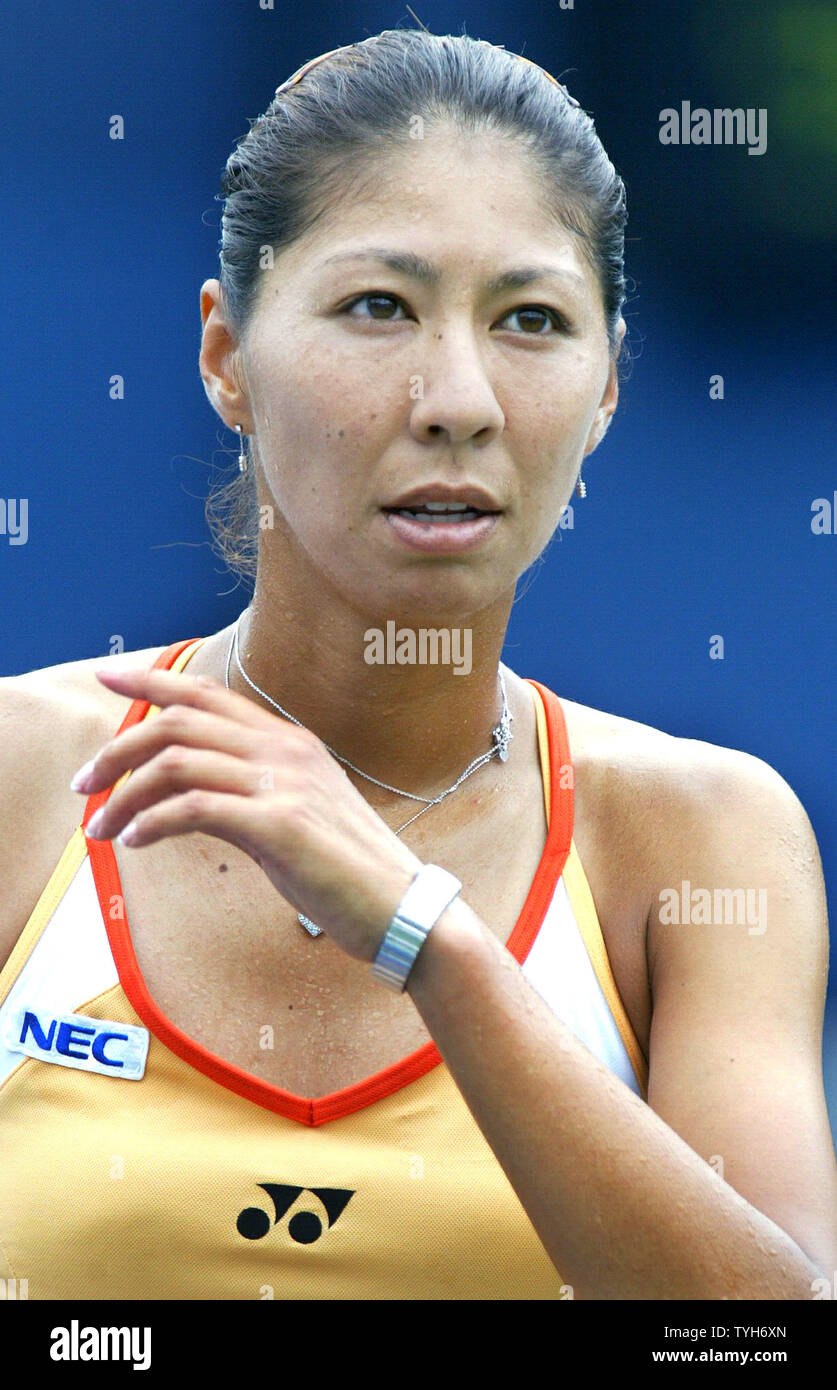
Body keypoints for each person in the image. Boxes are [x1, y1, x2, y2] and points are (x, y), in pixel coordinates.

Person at [1, 28, 835, 1302]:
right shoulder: (19, 777)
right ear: (225, 354)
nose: (459, 398)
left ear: (609, 383)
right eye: (378, 306)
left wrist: (425, 937)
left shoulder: (707, 837)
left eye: (532, 320)